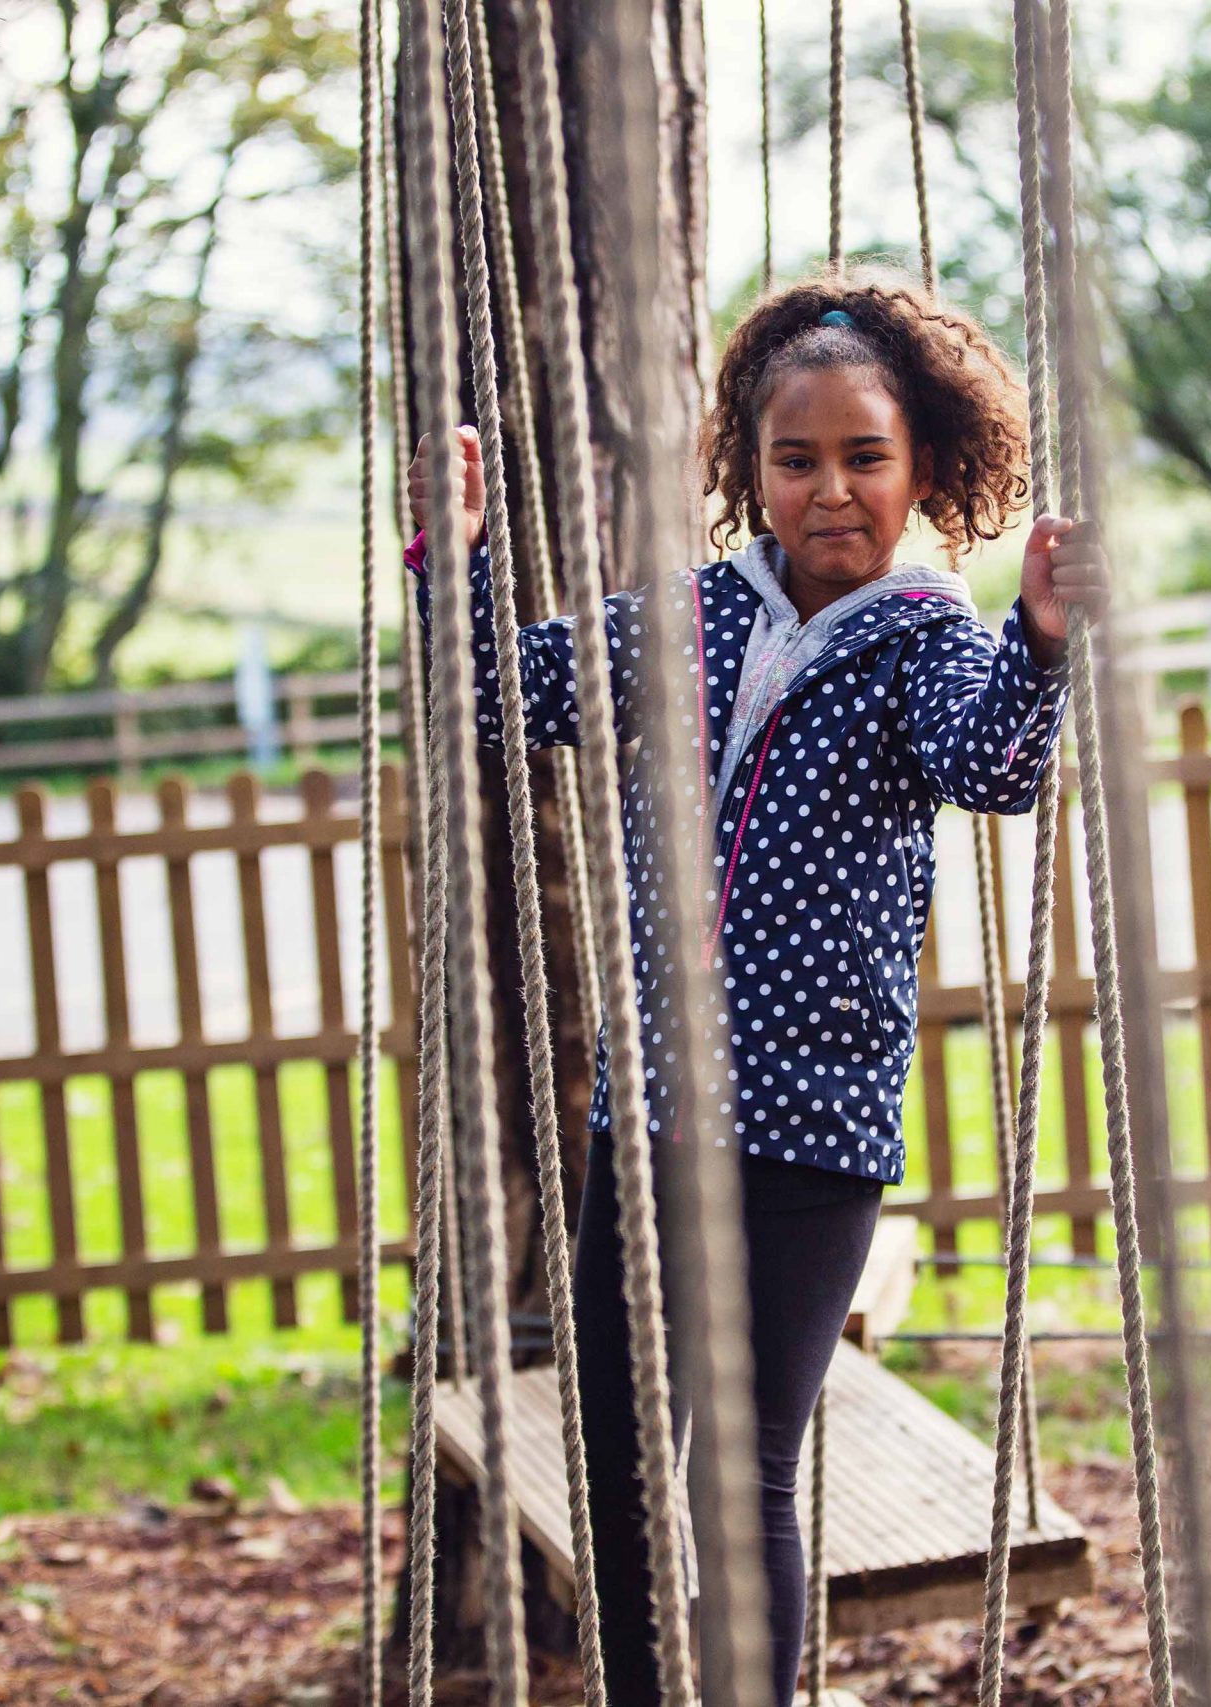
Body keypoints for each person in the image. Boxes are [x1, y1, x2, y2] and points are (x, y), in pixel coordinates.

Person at [408, 267, 1107, 1703]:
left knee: (744, 1473)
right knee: (610, 1452)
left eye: (865, 459)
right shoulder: (695, 617)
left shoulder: (929, 641)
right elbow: (501, 696)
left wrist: (1040, 642)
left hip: (811, 1124)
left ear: (923, 471)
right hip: (651, 1110)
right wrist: (459, 558)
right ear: (751, 466)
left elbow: (995, 765)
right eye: (797, 460)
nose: (831, 491)